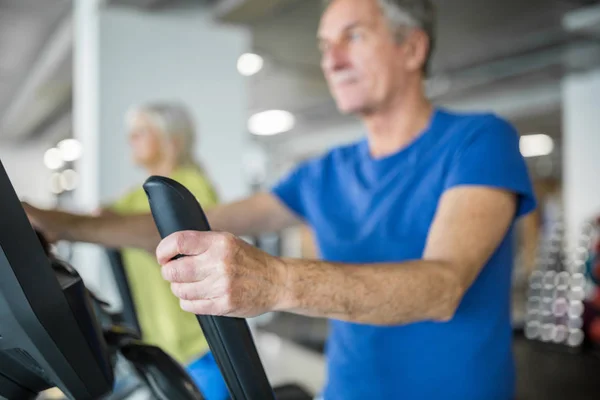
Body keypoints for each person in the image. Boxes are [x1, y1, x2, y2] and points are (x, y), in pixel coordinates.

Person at [24, 1, 536, 399]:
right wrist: (60, 224)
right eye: (324, 44)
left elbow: (441, 287)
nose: (331, 59)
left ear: (412, 48)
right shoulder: (326, 171)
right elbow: (200, 224)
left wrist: (277, 280)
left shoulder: (478, 141)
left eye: (352, 37)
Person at [34, 102, 229, 400]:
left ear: (171, 138)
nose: (130, 140)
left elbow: (164, 238)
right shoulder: (138, 194)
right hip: (164, 344)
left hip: (200, 343)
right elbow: (98, 221)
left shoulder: (189, 186)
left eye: (140, 132)